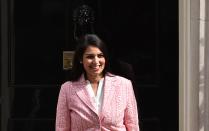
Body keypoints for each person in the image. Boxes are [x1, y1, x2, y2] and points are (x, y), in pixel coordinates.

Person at [55, 34, 140, 131]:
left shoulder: (124, 85)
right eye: (90, 57)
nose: (96, 61)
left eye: (100, 56)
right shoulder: (67, 89)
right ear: (80, 59)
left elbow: (133, 126)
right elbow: (62, 128)